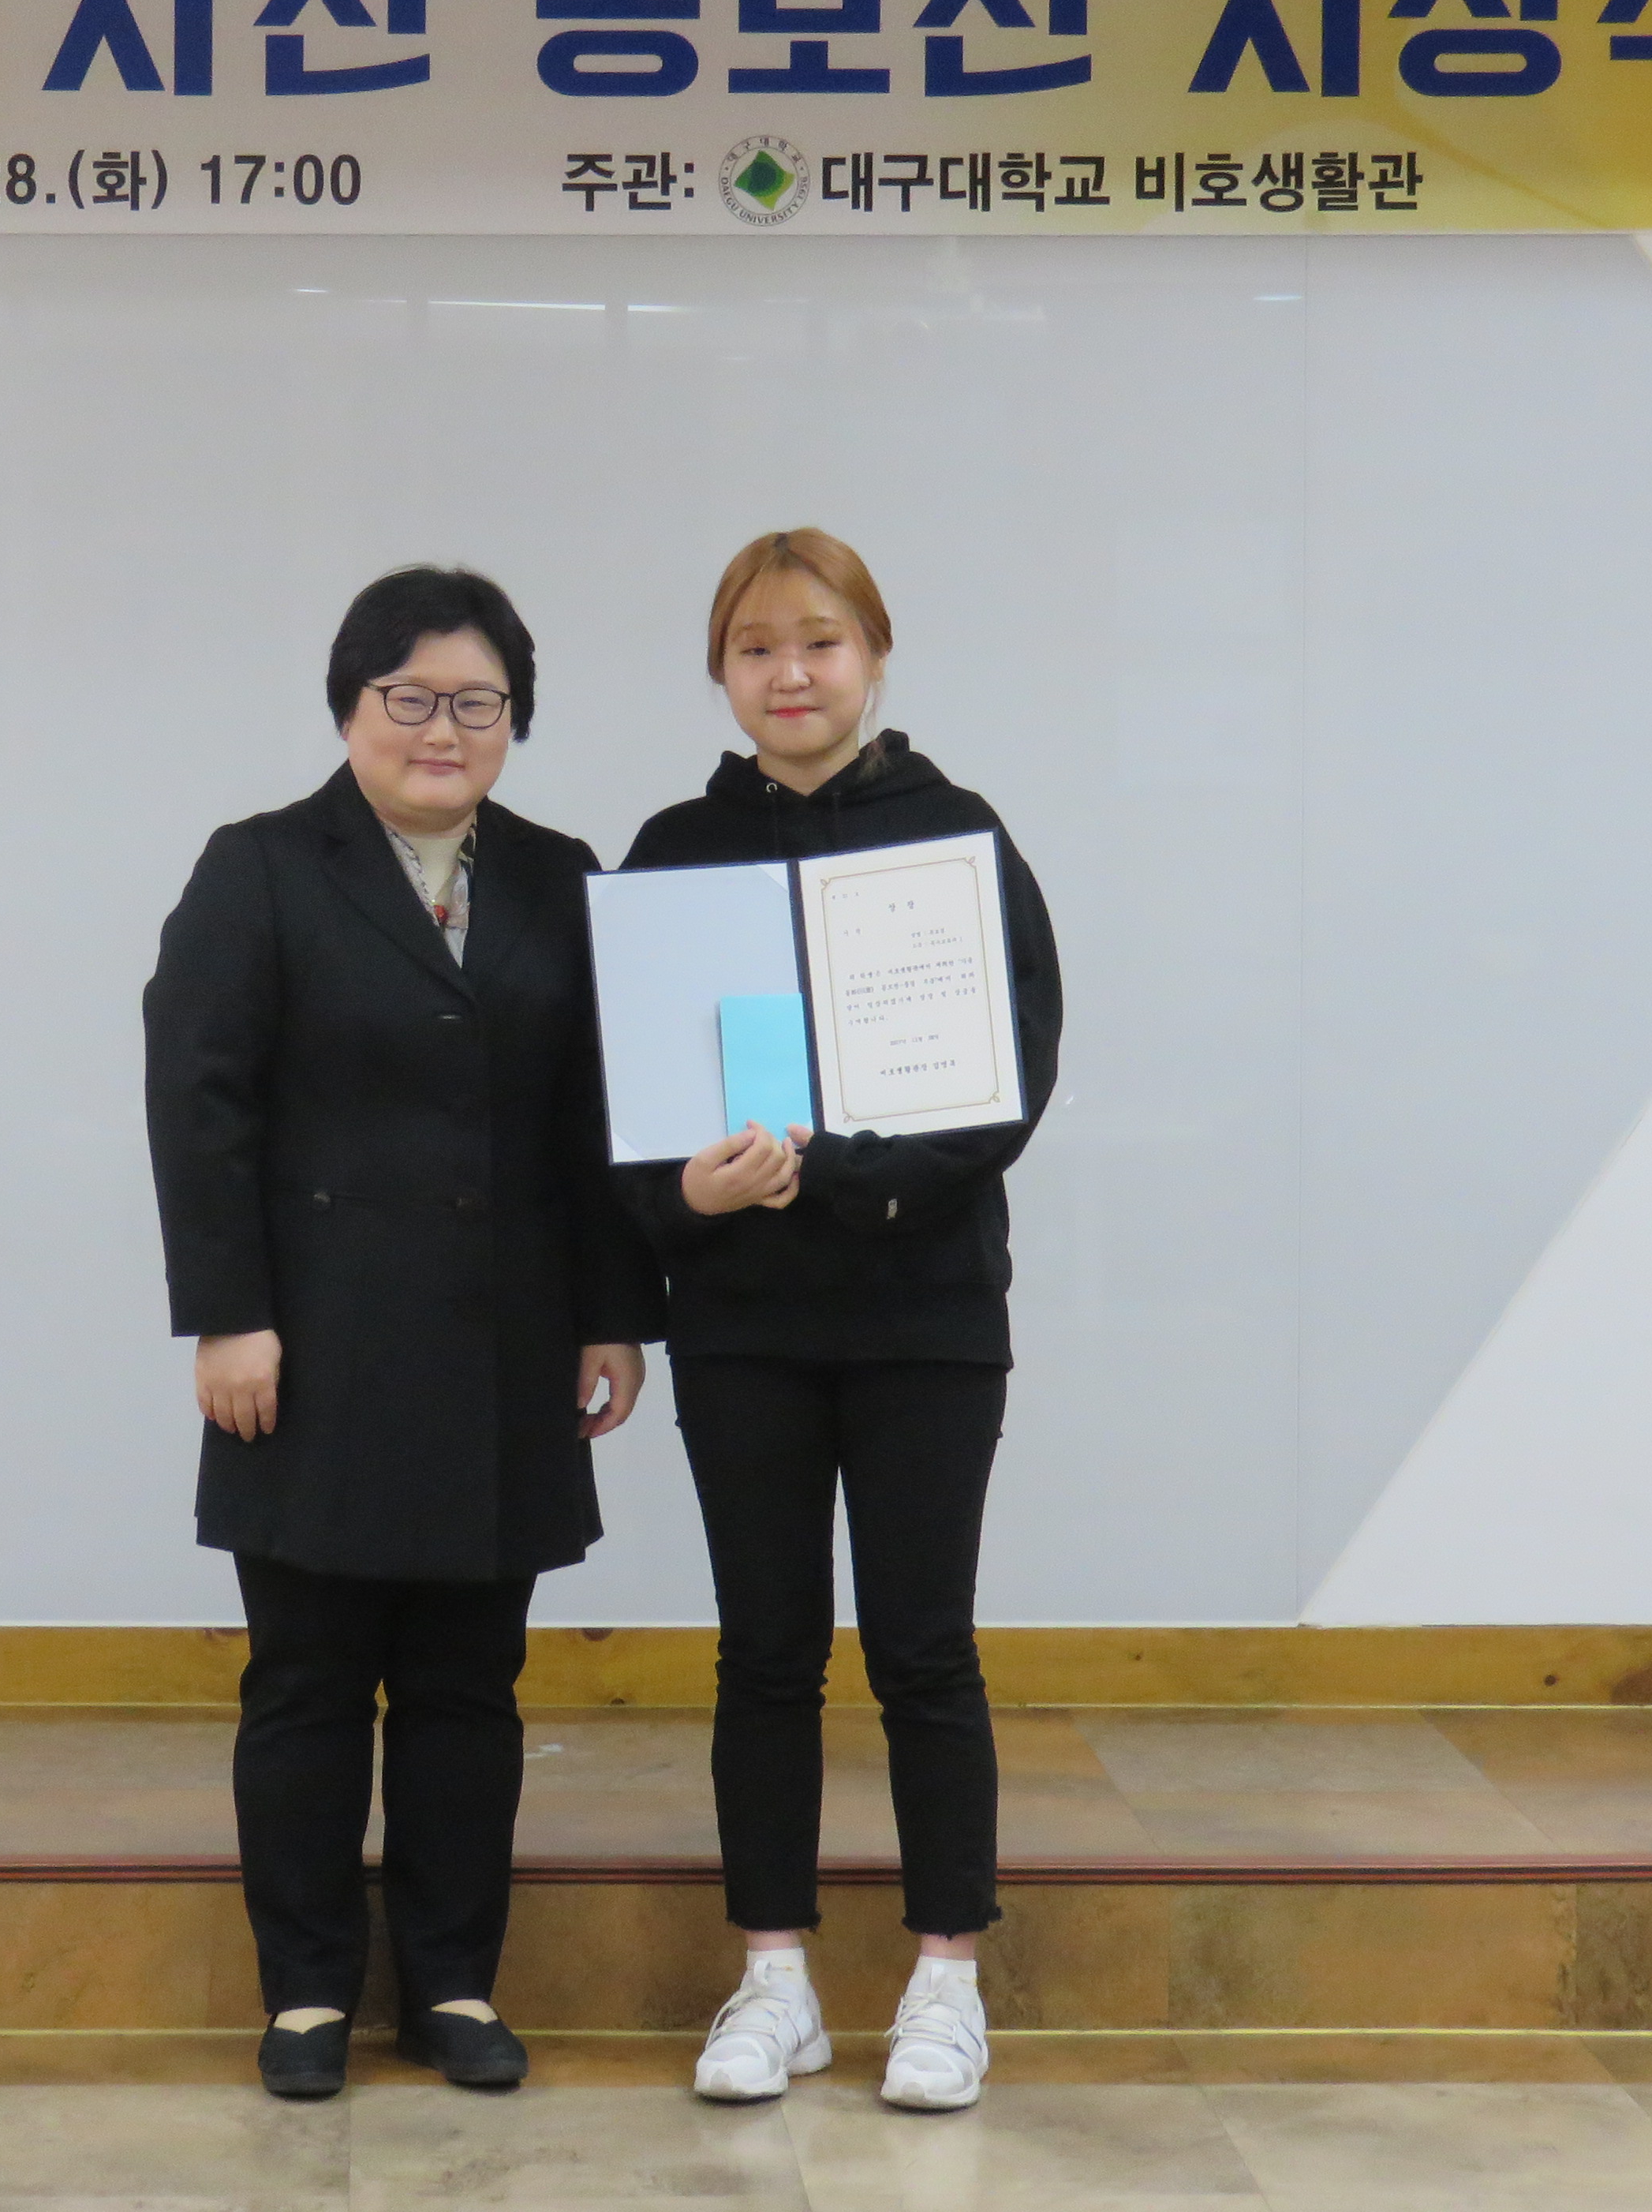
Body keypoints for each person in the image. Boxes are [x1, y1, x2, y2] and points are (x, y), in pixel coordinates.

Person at [144, 565, 659, 2102]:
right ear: (350, 706)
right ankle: (307, 1993)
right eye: (411, 697)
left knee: (468, 1687)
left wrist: (615, 1316)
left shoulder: (562, 876)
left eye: (477, 702)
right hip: (310, 1350)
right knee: (306, 1681)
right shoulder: (260, 867)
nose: (444, 729)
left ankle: (452, 1983)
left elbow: (598, 1118)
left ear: (515, 718)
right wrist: (228, 1315)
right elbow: (199, 1103)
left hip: (505, 1351)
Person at [620, 528, 1063, 2116]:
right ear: (720, 673)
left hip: (925, 1317)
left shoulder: (956, 837)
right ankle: (776, 1980)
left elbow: (1009, 1081)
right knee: (766, 1651)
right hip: (742, 1322)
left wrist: (838, 1178)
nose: (790, 673)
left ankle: (946, 1982)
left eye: (819, 641)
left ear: (873, 656)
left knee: (925, 1650)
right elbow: (621, 1108)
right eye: (756, 647)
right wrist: (692, 1196)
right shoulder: (674, 856)